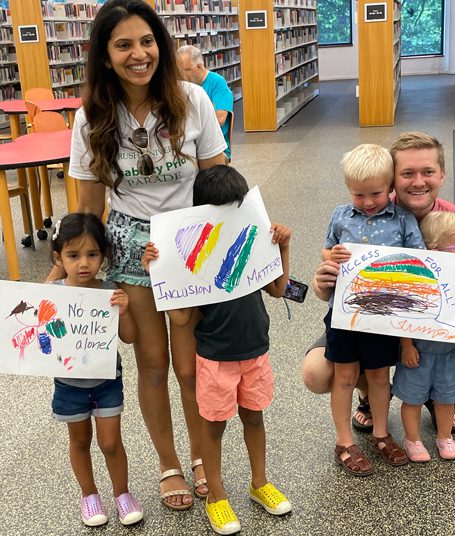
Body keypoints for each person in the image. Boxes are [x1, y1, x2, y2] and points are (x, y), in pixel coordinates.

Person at [57, 0, 228, 511]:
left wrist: (245, 245)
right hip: (132, 247)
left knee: (193, 364)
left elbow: (218, 181)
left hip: (191, 244)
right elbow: (88, 207)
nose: (140, 53)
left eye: (148, 41)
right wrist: (72, 273)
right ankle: (169, 463)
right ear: (105, 57)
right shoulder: (91, 119)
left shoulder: (193, 100)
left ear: (162, 44)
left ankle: (202, 457)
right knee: (151, 364)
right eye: (124, 44)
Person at [302, 131, 455, 434]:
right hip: (372, 320)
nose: (419, 182)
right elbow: (330, 277)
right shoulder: (365, 215)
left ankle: (436, 391)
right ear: (392, 178)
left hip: (435, 327)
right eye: (408, 173)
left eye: (428, 172)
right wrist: (321, 282)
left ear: (442, 174)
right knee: (316, 373)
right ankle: (368, 394)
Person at [142, 165, 292, 535]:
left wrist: (284, 247)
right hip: (214, 359)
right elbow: (179, 319)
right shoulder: (197, 258)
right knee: (213, 428)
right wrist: (156, 272)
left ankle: (260, 483)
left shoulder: (252, 243)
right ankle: (217, 496)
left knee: (254, 418)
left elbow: (277, 290)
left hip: (255, 352)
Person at [322, 144, 426, 476]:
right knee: (345, 375)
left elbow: (419, 261)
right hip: (345, 313)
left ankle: (381, 432)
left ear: (391, 188)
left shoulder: (403, 219)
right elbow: (327, 252)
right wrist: (332, 258)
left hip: (384, 315)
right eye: (359, 195)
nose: (367, 202)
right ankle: (344, 441)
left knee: (380, 375)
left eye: (376, 194)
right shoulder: (341, 215)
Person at [50, 213, 143, 527]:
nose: (84, 263)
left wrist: (125, 310)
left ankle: (122, 494)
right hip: (67, 383)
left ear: (103, 256)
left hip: (106, 380)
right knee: (79, 441)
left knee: (111, 442)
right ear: (58, 257)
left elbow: (129, 337)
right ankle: (89, 495)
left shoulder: (109, 291)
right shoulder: (53, 293)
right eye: (73, 256)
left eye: (92, 254)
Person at [393, 211, 455, 462]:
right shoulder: (417, 277)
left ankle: (444, 436)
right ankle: (412, 439)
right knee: (412, 398)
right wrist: (406, 346)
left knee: (446, 398)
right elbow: (404, 314)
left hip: (449, 351)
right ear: (434, 250)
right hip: (419, 350)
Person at [177, 45, 233, 162]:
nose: (181, 76)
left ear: (199, 66)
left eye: (186, 70)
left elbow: (220, 119)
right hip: (187, 143)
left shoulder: (217, 82)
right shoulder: (182, 86)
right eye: (179, 71)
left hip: (215, 147)